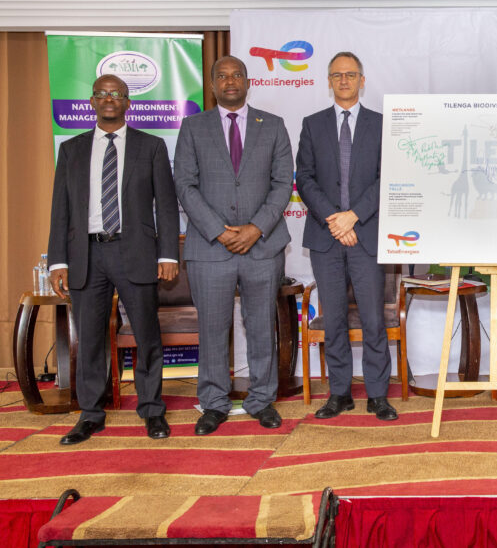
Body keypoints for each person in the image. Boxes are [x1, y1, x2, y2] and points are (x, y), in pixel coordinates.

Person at [47, 74, 179, 444]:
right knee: (89, 338)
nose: (109, 99)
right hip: (86, 253)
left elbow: (166, 207)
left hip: (133, 250)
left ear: (127, 103)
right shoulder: (71, 149)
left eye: (117, 94)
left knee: (146, 334)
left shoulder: (151, 146)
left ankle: (152, 409)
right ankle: (90, 414)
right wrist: (58, 261)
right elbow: (61, 210)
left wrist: (168, 253)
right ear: (92, 101)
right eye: (102, 94)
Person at [174, 55, 294, 435]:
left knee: (261, 326)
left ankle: (262, 400)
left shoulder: (273, 126)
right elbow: (185, 185)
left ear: (247, 81)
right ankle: (213, 402)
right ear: (212, 85)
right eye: (222, 76)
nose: (230, 81)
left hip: (262, 246)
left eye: (237, 75)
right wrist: (219, 230)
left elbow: (282, 184)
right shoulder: (193, 127)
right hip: (210, 248)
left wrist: (255, 228)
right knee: (212, 328)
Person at [295, 51, 397, 421]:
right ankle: (339, 393)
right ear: (328, 81)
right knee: (334, 319)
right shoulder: (312, 124)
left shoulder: (381, 124)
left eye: (350, 74)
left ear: (362, 80)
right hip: (326, 237)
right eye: (337, 75)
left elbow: (387, 178)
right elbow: (304, 178)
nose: (344, 80)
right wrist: (335, 221)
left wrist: (353, 217)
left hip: (366, 234)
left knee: (372, 320)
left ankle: (377, 395)